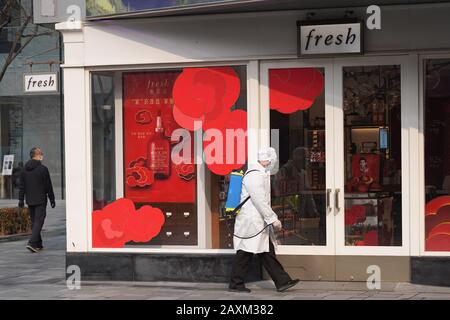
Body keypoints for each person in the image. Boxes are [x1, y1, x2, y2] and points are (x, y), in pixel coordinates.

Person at [229, 147, 300, 293]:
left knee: (265, 251)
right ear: (266, 160)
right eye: (273, 159)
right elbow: (259, 200)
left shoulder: (259, 173)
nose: (274, 162)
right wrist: (273, 219)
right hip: (252, 221)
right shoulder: (255, 175)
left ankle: (282, 281)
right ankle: (236, 283)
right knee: (246, 252)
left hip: (256, 221)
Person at [18, 148, 55, 253]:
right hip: (41, 199)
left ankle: (38, 244)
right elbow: (48, 186)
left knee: (35, 222)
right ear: (36, 155)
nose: (42, 155)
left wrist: (21, 200)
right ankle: (32, 242)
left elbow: (22, 187)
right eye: (40, 153)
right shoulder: (43, 169)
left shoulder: (24, 169)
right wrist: (52, 199)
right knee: (39, 221)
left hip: (30, 200)